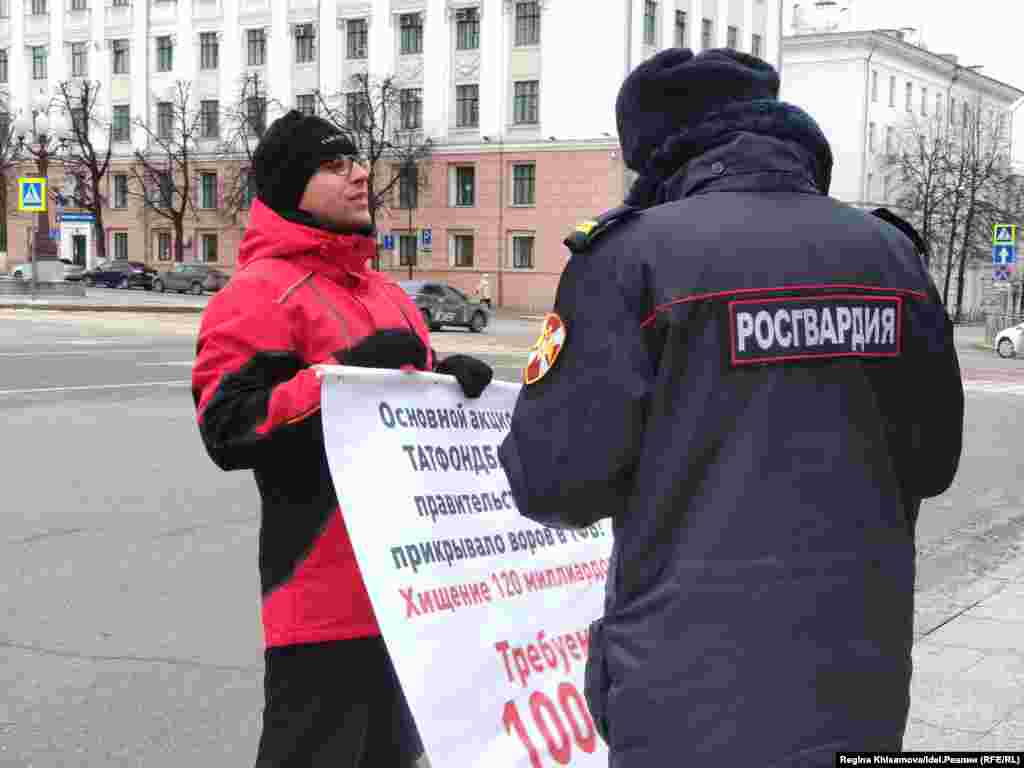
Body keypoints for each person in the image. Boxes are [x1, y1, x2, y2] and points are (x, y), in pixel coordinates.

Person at [498, 49, 963, 766]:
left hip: (686, 691)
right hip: (858, 680)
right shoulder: (891, 254)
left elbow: (555, 483)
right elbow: (933, 462)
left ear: (655, 153)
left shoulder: (630, 258)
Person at [192, 110, 492, 768]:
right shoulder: (259, 295)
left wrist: (446, 380)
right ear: (289, 188)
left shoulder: (388, 293)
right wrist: (342, 377)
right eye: (333, 166)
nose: (359, 175)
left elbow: (399, 399)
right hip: (321, 598)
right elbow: (228, 426)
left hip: (410, 594)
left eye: (355, 161)